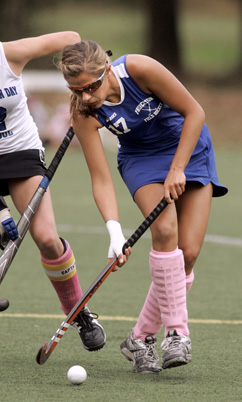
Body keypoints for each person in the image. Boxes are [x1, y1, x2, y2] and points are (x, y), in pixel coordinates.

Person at [59, 40, 228, 374]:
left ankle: (139, 337)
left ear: (106, 69)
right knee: (165, 231)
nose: (87, 96)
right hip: (141, 161)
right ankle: (178, 333)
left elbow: (195, 112)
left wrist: (178, 168)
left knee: (188, 254)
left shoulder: (138, 69)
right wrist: (113, 231)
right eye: (76, 89)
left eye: (91, 86)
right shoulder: (82, 111)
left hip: (187, 147)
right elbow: (101, 179)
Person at [0, 33, 106, 352]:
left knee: (46, 238)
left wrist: (80, 82)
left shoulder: (8, 55)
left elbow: (72, 39)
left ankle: (78, 312)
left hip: (19, 150)